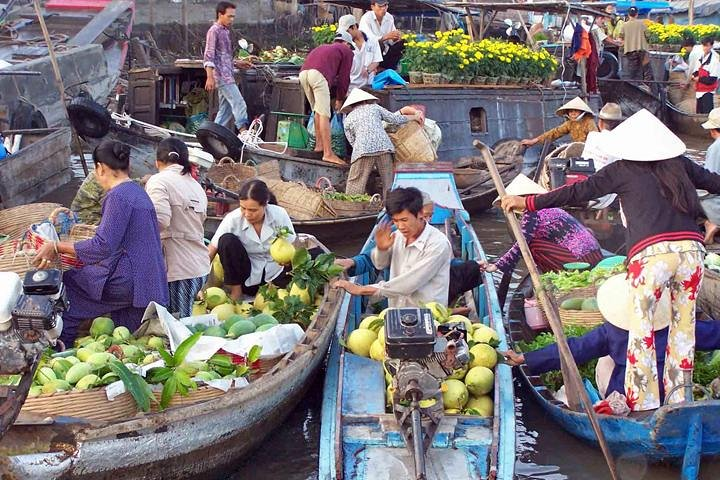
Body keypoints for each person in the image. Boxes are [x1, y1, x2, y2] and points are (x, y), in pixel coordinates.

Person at [501, 109, 720, 411]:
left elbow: (578, 191)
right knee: (684, 329)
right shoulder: (681, 163)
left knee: (640, 332)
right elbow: (715, 182)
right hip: (692, 253)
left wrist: (528, 201)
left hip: (652, 257)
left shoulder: (622, 169)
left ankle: (644, 407)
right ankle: (680, 400)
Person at [503, 274, 720, 402]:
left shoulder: (612, 332)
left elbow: (574, 349)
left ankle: (612, 400)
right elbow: (715, 333)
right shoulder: (683, 330)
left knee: (604, 359)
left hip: (630, 398)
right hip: (674, 396)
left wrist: (526, 358)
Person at [33, 141, 168, 346]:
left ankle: (60, 354)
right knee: (126, 337)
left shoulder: (118, 196)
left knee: (68, 297)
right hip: (149, 280)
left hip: (128, 280)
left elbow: (102, 246)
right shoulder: (138, 192)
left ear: (100, 167)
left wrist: (56, 246)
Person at [336, 191, 485, 305]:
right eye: (397, 220)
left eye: (429, 216)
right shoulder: (397, 235)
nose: (427, 220)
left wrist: (362, 289)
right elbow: (376, 263)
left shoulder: (438, 243)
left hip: (427, 317)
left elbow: (411, 282)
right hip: (396, 310)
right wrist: (377, 251)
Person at [483, 174, 603, 275]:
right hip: (594, 255)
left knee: (531, 245)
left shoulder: (532, 212)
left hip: (581, 261)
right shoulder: (547, 207)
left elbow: (522, 243)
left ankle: (558, 276)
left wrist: (497, 266)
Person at [145, 138, 210, 318]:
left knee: (176, 325)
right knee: (186, 321)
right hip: (199, 266)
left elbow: (159, 220)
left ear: (157, 162)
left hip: (177, 268)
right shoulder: (196, 186)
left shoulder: (158, 181)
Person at [208, 179, 295, 301]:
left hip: (277, 274)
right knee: (226, 240)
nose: (247, 214)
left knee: (314, 253)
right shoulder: (233, 219)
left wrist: (287, 260)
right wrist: (197, 283)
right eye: (243, 208)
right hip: (247, 278)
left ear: (265, 205)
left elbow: (292, 243)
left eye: (253, 210)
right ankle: (236, 292)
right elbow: (211, 251)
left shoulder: (279, 215)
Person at [341, 88, 423, 198]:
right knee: (388, 181)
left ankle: (352, 206)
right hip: (384, 147)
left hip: (363, 150)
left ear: (351, 105)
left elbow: (352, 141)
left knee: (356, 181)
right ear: (365, 101)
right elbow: (394, 119)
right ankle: (388, 206)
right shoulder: (375, 108)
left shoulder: (348, 118)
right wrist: (414, 117)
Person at [299, 31, 355, 165]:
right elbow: (344, 78)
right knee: (324, 114)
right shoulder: (346, 51)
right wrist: (340, 99)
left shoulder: (323, 47)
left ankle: (319, 147)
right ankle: (328, 153)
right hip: (318, 75)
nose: (351, 49)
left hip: (303, 74)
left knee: (317, 111)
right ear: (346, 43)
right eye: (350, 46)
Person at [204, 1, 252, 133]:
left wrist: (238, 63)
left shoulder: (224, 31)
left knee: (225, 110)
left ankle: (211, 135)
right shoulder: (214, 31)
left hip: (227, 74)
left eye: (233, 17)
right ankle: (244, 133)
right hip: (222, 76)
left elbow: (224, 57)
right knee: (239, 103)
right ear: (220, 14)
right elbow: (209, 55)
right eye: (229, 16)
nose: (232, 19)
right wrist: (209, 77)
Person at [521, 97, 597, 147]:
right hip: (576, 149)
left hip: (590, 150)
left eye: (576, 111)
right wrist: (534, 141)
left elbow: (595, 139)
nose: (573, 113)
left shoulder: (589, 122)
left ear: (582, 112)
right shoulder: (569, 123)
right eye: (571, 111)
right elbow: (555, 133)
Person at [338, 14, 383, 90]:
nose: (345, 34)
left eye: (347, 31)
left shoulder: (372, 40)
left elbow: (377, 60)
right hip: (351, 86)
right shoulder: (346, 44)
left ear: (354, 27)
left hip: (368, 84)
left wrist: (368, 70)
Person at [359, 0, 404, 72]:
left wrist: (396, 37)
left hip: (386, 51)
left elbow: (391, 40)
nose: (383, 8)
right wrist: (385, 37)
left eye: (385, 5)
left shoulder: (389, 17)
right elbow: (368, 39)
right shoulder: (366, 18)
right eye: (380, 6)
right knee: (378, 43)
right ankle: (377, 68)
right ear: (372, 7)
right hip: (370, 52)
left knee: (402, 43)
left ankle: (389, 68)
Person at [700, 108, 720, 244]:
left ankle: (712, 223)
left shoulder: (716, 147)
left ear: (713, 130)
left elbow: (709, 181)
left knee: (691, 197)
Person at [619, 7, 653, 83]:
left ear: (628, 14)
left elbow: (621, 38)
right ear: (637, 14)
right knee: (645, 71)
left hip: (630, 51)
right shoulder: (643, 24)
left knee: (632, 73)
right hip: (642, 51)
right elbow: (648, 36)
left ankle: (633, 87)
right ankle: (643, 86)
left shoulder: (624, 25)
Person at [689, 37, 720, 114]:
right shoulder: (701, 57)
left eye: (707, 46)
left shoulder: (714, 61)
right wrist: (694, 76)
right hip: (699, 90)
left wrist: (699, 79)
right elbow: (696, 70)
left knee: (707, 113)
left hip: (708, 92)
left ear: (711, 46)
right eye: (704, 45)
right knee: (699, 112)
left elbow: (712, 79)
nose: (705, 48)